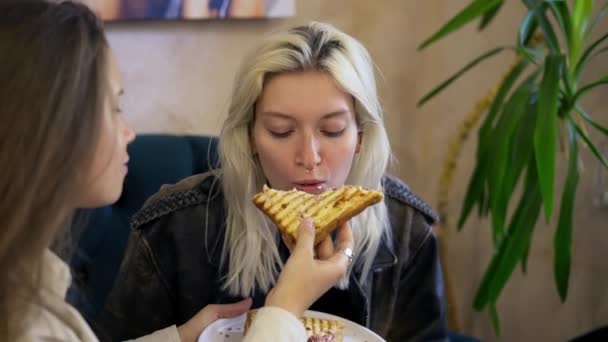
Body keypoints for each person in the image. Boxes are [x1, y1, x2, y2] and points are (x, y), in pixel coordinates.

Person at [0, 2, 352, 341]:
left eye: (333, 129)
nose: (129, 132)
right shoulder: (26, 323)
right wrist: (284, 309)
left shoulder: (30, 283)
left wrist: (180, 338)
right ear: (49, 130)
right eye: (114, 107)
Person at [98, 21, 449, 341]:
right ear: (250, 135)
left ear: (361, 134)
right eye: (281, 131)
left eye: (332, 130)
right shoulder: (174, 226)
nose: (309, 157)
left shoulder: (406, 230)